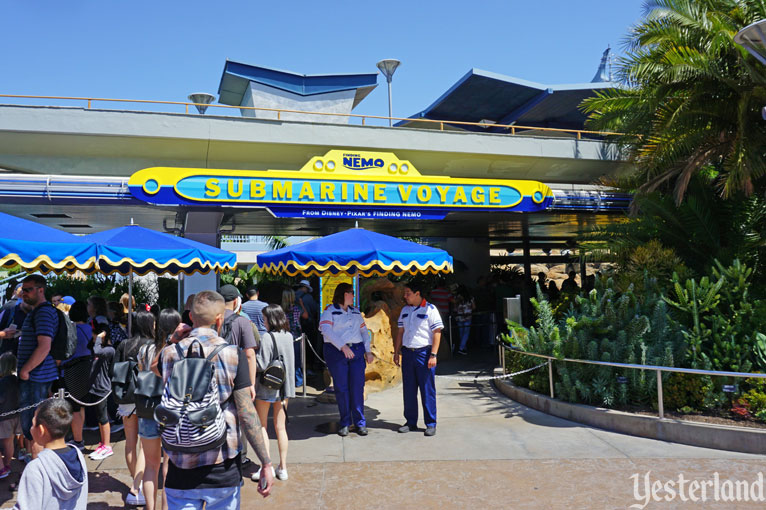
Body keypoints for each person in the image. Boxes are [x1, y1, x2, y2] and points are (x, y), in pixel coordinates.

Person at [159, 291, 274, 507]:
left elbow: (153, 369)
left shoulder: (170, 354)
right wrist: (265, 462)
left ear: (190, 317)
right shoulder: (232, 353)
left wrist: (172, 340)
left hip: (179, 464)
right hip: (222, 464)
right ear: (220, 318)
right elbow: (246, 413)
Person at [319, 283, 373, 437]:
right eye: (350, 292)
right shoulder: (330, 311)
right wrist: (342, 346)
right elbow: (325, 329)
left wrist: (368, 351)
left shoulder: (355, 312)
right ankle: (345, 422)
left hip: (356, 351)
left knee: (357, 387)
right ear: (343, 294)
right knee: (342, 389)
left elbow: (364, 332)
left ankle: (360, 422)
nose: (353, 295)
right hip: (337, 352)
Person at [13, 398, 88, 510]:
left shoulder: (36, 468)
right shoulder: (78, 456)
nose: (31, 428)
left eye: (33, 424)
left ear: (41, 430)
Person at [114, 310, 156, 506]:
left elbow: (114, 369)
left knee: (130, 442)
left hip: (126, 396)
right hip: (146, 396)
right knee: (146, 443)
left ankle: (135, 482)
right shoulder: (152, 345)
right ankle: (136, 487)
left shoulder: (124, 344)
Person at [394, 280, 443, 437]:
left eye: (408, 293)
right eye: (405, 293)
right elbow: (400, 332)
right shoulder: (404, 310)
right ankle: (410, 422)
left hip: (424, 353)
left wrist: (433, 354)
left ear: (417, 294)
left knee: (427, 389)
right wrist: (396, 352)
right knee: (408, 389)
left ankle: (430, 423)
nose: (405, 295)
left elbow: (437, 333)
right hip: (408, 353)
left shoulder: (431, 309)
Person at [17, 275, 59, 459]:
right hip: (37, 376)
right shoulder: (39, 311)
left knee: (35, 428)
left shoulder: (42, 312)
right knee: (34, 427)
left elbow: (44, 346)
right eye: (23, 290)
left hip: (36, 377)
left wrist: (25, 369)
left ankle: (39, 473)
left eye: (28, 289)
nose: (23, 293)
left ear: (40, 290)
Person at [253, 304, 295, 481]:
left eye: (264, 319)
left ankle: (266, 466)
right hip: (285, 387)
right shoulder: (289, 336)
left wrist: (249, 358)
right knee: (281, 428)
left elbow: (261, 364)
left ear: (270, 319)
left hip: (267, 387)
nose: (263, 322)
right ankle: (283, 467)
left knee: (262, 425)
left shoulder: (268, 338)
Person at [61, 301, 93, 452]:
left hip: (71, 370)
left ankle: (77, 438)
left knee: (72, 407)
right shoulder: (89, 328)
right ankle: (79, 435)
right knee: (80, 406)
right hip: (85, 369)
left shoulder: (71, 330)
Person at [218, 285, 258, 399]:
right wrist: (251, 384)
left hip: (215, 373)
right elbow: (249, 354)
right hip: (237, 376)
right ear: (235, 301)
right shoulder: (243, 321)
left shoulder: (211, 319)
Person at [87, 322, 115, 461]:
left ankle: (108, 446)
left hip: (103, 388)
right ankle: (103, 443)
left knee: (103, 418)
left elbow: (97, 351)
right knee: (99, 417)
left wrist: (99, 337)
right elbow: (91, 348)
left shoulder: (109, 350)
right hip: (95, 387)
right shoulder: (98, 347)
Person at [282, 288, 307, 387]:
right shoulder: (297, 308)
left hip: (284, 336)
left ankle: (287, 380)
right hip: (296, 336)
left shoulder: (280, 309)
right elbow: (306, 315)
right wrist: (301, 304)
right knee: (297, 359)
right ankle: (298, 380)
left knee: (285, 359)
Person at [0, 352, 19, 479]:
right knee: (9, 443)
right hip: (16, 415)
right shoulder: (17, 380)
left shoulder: (2, 382)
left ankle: (3, 468)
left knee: (6, 443)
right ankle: (7, 465)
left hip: (4, 417)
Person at [454, 285, 475, 355]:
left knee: (461, 333)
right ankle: (461, 348)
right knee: (466, 333)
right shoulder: (470, 297)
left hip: (459, 317)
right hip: (468, 316)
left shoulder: (456, 298)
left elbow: (455, 307)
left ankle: (463, 348)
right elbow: (474, 307)